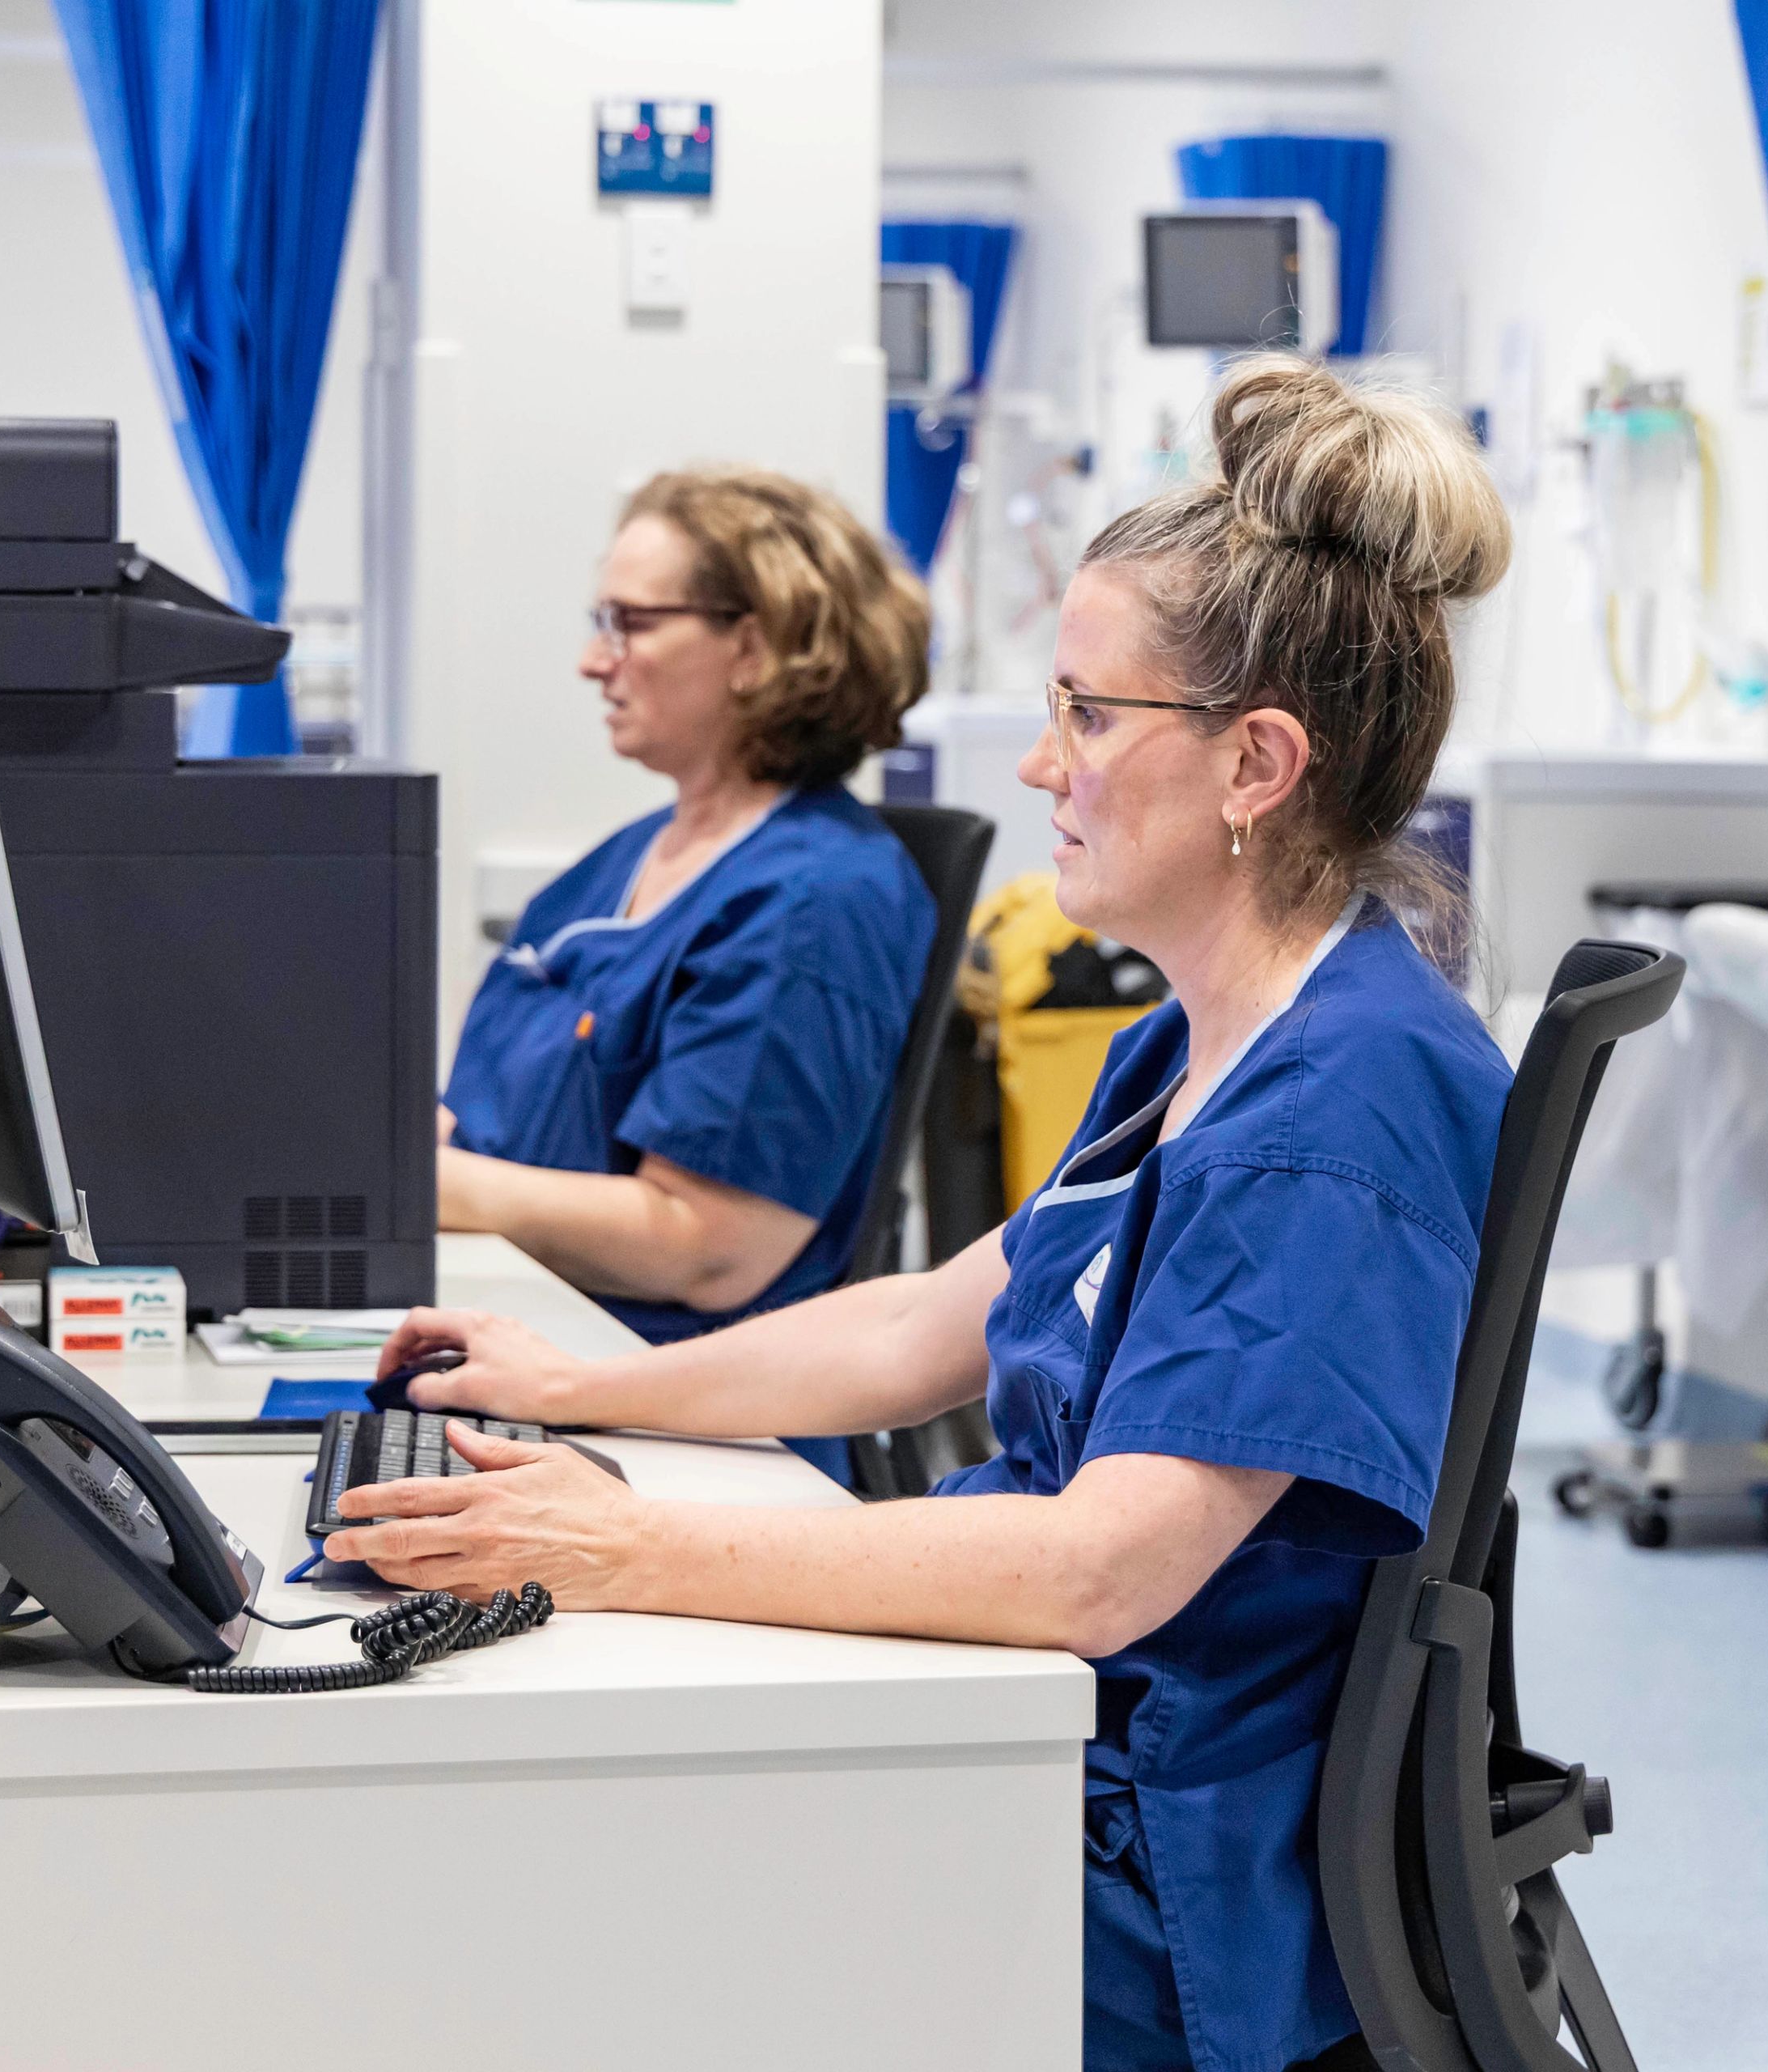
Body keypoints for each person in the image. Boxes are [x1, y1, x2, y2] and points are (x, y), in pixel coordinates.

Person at [331, 358, 1516, 2072]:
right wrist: (594, 1392)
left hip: (1159, 1869)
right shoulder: (1209, 1033)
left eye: (1088, 716)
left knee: (554, 1876)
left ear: (1255, 762)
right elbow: (919, 1320)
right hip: (1057, 1738)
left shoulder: (1336, 1100)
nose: (1042, 760)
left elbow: (1108, 1562)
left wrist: (626, 1547)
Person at [438, 467, 935, 1471]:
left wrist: (426, 1187)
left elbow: (708, 1245)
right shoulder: (619, 866)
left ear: (752, 646)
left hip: (685, 1418)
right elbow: (477, 1117)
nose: (593, 660)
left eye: (629, 623)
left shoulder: (812, 901)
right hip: (533, 1346)